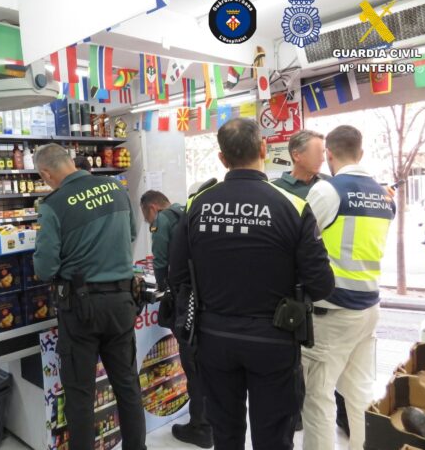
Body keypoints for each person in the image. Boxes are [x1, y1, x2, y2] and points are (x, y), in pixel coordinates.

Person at [169, 118, 334, 450]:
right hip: (274, 338)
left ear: (222, 158)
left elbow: (177, 275)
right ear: (263, 149)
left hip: (213, 337)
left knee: (225, 433)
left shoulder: (196, 205)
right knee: (273, 437)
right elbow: (321, 285)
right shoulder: (293, 206)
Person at [33, 144, 146, 450]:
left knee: (80, 395)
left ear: (46, 173)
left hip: (81, 308)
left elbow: (45, 268)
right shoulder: (116, 188)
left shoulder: (53, 205)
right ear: (70, 161)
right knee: (127, 385)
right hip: (122, 301)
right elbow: (131, 234)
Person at [302, 125, 396, 450]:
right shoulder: (384, 196)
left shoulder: (328, 191)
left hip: (333, 311)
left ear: (329, 154)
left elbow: (300, 242)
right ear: (361, 152)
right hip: (369, 307)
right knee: (360, 393)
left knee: (318, 396)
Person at [272, 129, 345, 433]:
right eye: (317, 152)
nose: (323, 158)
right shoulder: (276, 190)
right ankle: (294, 413)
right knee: (293, 359)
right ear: (297, 155)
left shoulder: (329, 187)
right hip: (289, 287)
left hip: (322, 283)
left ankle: (342, 416)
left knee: (328, 362)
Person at [140, 190, 212, 448]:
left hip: (185, 299)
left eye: (146, 217)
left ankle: (201, 427)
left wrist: (163, 288)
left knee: (191, 363)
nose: (148, 222)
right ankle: (210, 421)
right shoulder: (189, 211)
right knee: (205, 364)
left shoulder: (163, 220)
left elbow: (160, 262)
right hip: (207, 299)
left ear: (152, 208)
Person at [272, 130, 329, 199]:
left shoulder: (329, 183)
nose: (322, 159)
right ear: (296, 155)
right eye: (316, 153)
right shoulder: (275, 190)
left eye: (322, 153)